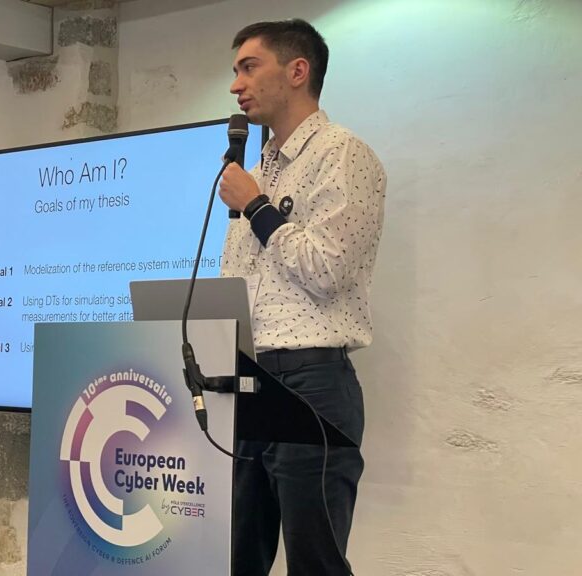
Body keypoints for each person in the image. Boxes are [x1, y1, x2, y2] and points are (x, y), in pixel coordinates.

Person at [218, 18, 387, 576]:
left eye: (249, 67)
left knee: (315, 563)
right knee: (235, 559)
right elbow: (240, 277)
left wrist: (257, 208)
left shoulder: (343, 154)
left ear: (297, 71)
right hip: (248, 381)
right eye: (235, 71)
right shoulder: (255, 169)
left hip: (311, 384)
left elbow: (328, 269)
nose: (236, 85)